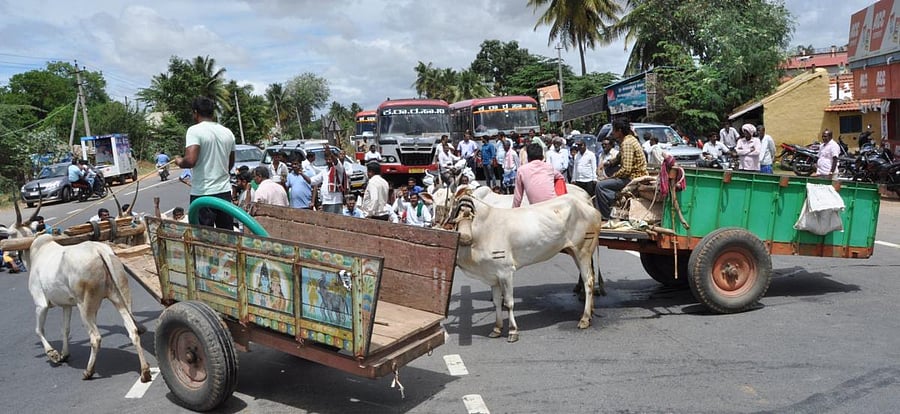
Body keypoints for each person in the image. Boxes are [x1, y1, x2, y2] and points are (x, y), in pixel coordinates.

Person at [174, 96, 236, 229]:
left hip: (203, 194)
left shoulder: (194, 130)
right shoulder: (228, 132)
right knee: (226, 236)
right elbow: (229, 164)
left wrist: (179, 161)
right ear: (212, 113)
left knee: (202, 239)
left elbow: (190, 160)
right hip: (224, 192)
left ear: (195, 113)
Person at [594, 120, 648, 221]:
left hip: (633, 177)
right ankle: (614, 198)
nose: (612, 133)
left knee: (600, 186)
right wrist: (606, 163)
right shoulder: (630, 139)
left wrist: (612, 176)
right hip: (632, 175)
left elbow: (626, 170)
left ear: (619, 131)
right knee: (608, 172)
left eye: (614, 130)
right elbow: (618, 158)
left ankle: (606, 217)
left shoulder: (627, 143)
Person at [513, 143, 564, 208]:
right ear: (542, 157)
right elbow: (561, 178)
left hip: (536, 209)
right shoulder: (549, 167)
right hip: (553, 205)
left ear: (528, 157)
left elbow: (518, 196)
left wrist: (514, 210)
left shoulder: (521, 170)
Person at [308, 144, 348, 214]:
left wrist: (330, 153)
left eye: (330, 159)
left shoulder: (339, 168)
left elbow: (336, 162)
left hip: (335, 201)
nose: (328, 161)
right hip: (325, 201)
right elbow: (312, 181)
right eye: (327, 159)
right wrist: (301, 174)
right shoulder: (324, 171)